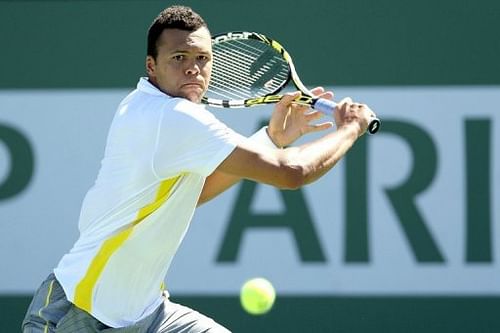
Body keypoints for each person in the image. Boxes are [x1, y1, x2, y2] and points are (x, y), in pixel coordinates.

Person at [22, 5, 377, 333]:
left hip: (149, 315)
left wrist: (271, 139)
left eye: (202, 58)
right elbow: (291, 173)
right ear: (151, 65)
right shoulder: (171, 118)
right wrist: (349, 128)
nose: (193, 67)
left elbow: (197, 191)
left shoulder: (152, 107)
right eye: (179, 57)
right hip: (77, 315)